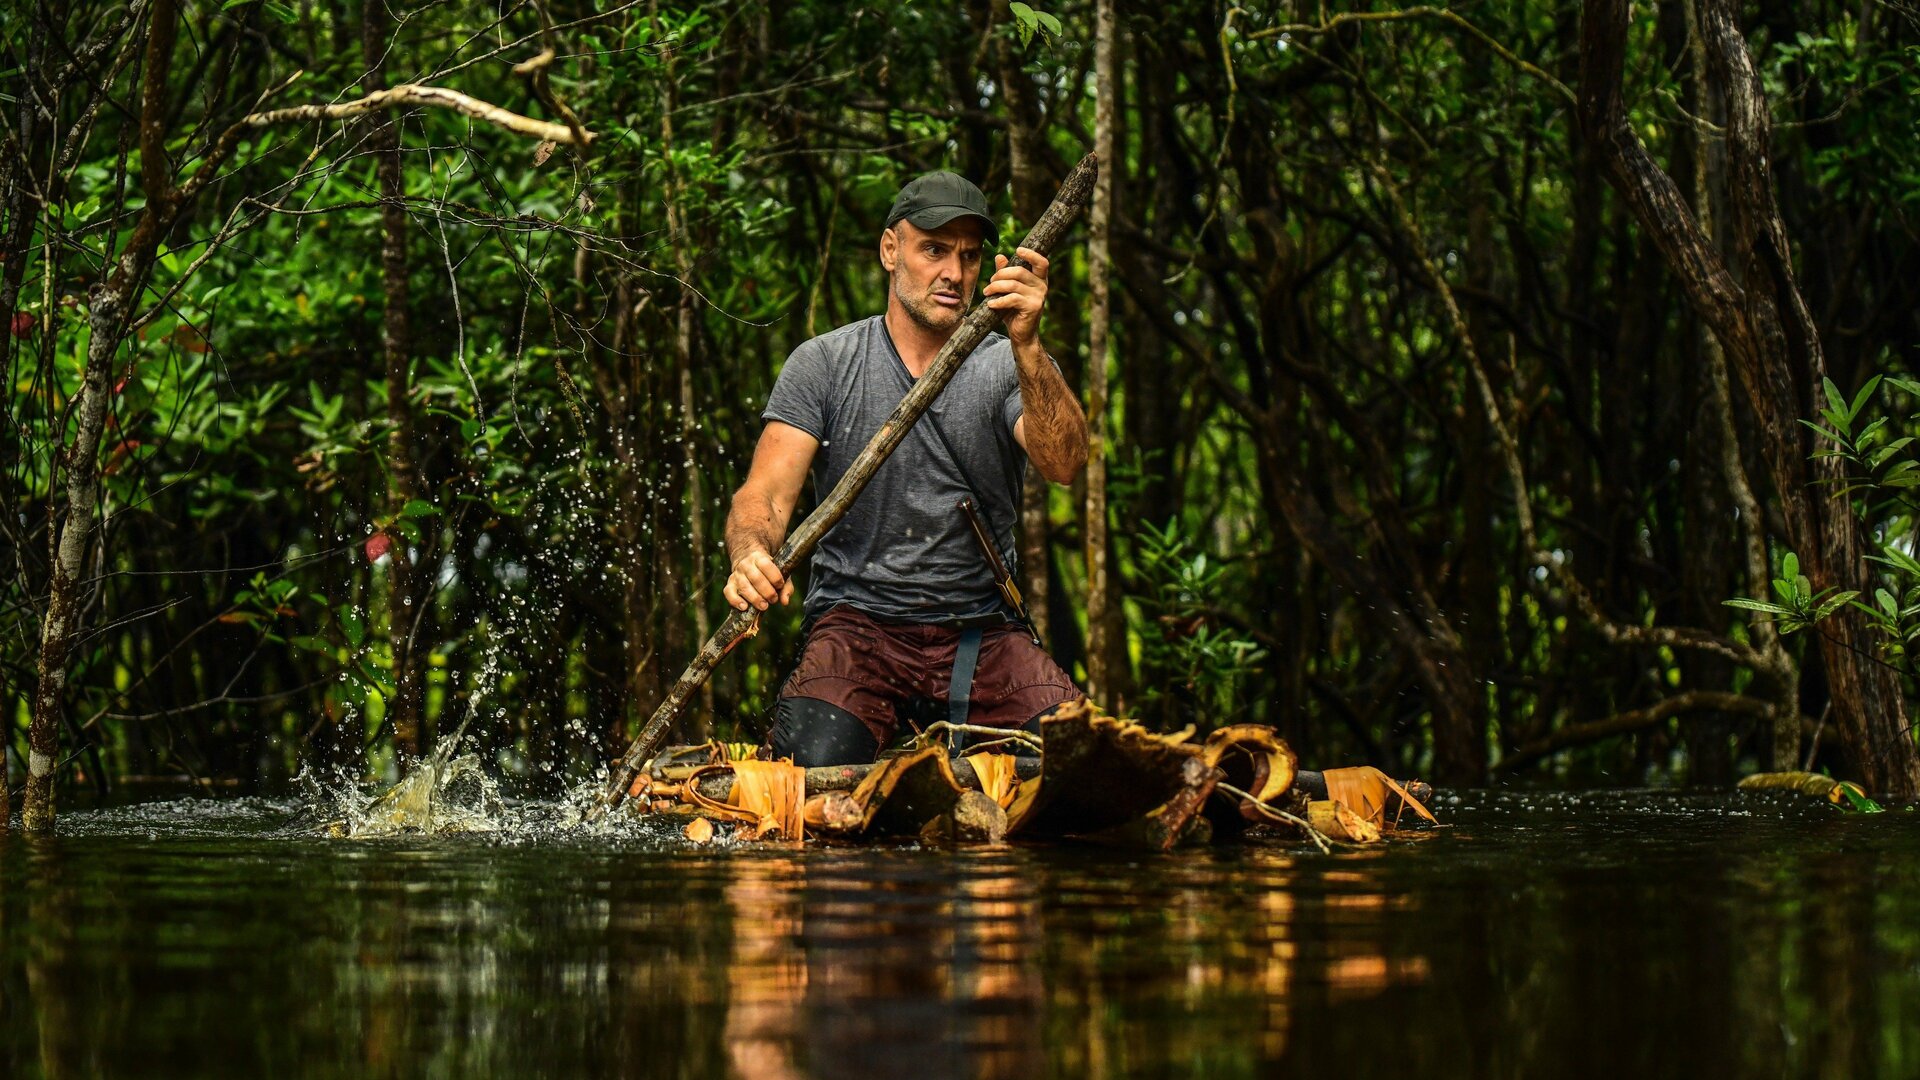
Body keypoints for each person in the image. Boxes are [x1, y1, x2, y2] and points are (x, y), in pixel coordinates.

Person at [723, 170, 1090, 766]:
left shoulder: (1007, 365)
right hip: (856, 630)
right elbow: (763, 496)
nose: (954, 273)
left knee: (1080, 763)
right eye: (934, 250)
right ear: (891, 250)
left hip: (983, 634)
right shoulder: (824, 363)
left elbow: (1067, 463)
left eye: (970, 257)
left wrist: (1027, 345)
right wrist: (751, 556)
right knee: (811, 769)